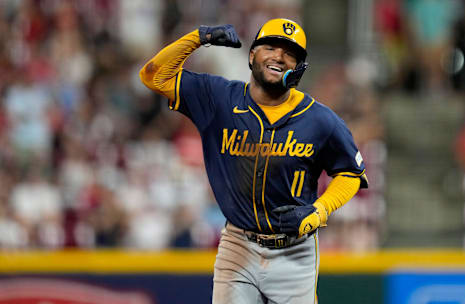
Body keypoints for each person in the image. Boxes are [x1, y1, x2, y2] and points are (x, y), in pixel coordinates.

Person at [140, 18, 368, 304]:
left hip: (294, 252)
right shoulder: (219, 98)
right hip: (238, 244)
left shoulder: (320, 120)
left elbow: (350, 173)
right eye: (270, 47)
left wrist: (320, 210)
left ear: (299, 68)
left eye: (290, 53)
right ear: (252, 55)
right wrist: (199, 38)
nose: (279, 57)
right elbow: (153, 76)